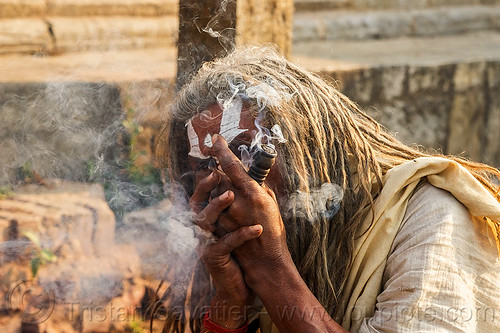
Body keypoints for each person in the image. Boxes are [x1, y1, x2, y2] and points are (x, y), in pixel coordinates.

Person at [155, 46, 500, 333]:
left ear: (307, 151)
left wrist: (271, 268)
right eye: (206, 165)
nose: (230, 178)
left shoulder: (431, 218)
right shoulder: (250, 253)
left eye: (245, 149)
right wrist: (231, 303)